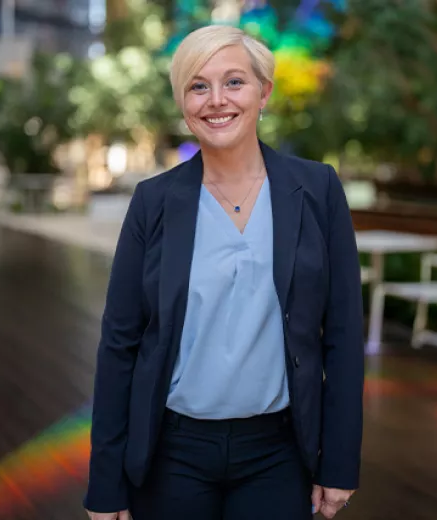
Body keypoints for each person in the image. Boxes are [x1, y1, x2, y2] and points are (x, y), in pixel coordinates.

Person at [84, 24, 365, 520]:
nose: (217, 100)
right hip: (172, 454)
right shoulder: (153, 202)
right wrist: (106, 485)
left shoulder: (317, 190)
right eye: (198, 85)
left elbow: (342, 335)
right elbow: (120, 345)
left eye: (234, 82)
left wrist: (338, 463)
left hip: (279, 452)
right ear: (183, 103)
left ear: (264, 93)